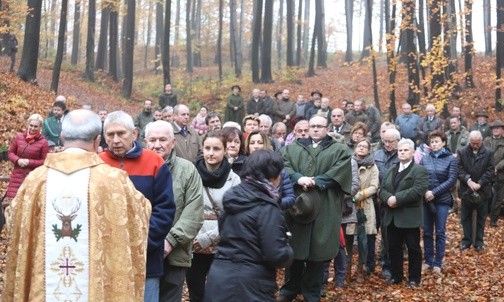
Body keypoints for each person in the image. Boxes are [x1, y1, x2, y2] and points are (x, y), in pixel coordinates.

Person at [4, 109, 151, 301]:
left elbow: (14, 218)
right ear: (98, 140)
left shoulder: (36, 180)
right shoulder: (114, 181)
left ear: (62, 137)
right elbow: (139, 215)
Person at [99, 110, 176, 302]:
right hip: (106, 260)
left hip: (146, 259)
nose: (115, 140)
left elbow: (165, 209)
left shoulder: (154, 163)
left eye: (121, 134)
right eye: (110, 135)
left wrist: (143, 243)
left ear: (134, 133)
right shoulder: (97, 164)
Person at [278, 115, 352, 302]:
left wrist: (316, 181)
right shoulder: (292, 149)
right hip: (298, 206)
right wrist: (297, 178)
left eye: (320, 126)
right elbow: (282, 166)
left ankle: (312, 292)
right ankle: (290, 289)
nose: (316, 129)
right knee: (295, 248)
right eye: (313, 126)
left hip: (325, 206)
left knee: (318, 251)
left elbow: (340, 171)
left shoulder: (339, 150)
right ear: (307, 128)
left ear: (327, 128)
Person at [204, 150, 294, 302]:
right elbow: (275, 254)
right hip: (250, 285)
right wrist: (289, 251)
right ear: (272, 176)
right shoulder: (267, 207)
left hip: (219, 278)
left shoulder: (233, 198)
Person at [144, 121, 204, 302]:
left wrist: (170, 241)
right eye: (152, 140)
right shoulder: (138, 169)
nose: (157, 145)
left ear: (173, 142)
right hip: (141, 253)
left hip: (175, 254)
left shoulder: (187, 170)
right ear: (145, 141)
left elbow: (194, 211)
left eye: (163, 139)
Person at [186, 131, 241, 302]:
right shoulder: (191, 174)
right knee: (196, 290)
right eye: (207, 148)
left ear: (225, 150)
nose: (210, 153)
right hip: (193, 241)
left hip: (221, 242)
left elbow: (234, 216)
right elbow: (184, 207)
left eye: (216, 148)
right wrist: (193, 235)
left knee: (220, 290)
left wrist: (209, 237)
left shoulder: (234, 180)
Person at [379, 138, 429, 287]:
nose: (402, 152)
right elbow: (381, 189)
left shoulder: (419, 170)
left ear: (413, 152)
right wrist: (388, 198)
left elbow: (418, 190)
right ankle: (397, 276)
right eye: (400, 150)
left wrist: (397, 199)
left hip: (409, 217)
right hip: (391, 216)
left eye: (405, 150)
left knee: (413, 248)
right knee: (393, 247)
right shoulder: (391, 169)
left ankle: (414, 278)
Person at [419, 131, 458, 275]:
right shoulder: (425, 158)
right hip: (426, 200)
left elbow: (451, 180)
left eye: (436, 141)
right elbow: (420, 176)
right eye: (432, 142)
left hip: (442, 200)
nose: (434, 144)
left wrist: (433, 192)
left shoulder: (451, 159)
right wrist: (424, 191)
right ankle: (428, 260)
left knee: (440, 231)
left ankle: (438, 262)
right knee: (427, 231)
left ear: (443, 143)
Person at [346, 138, 379, 277]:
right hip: (348, 204)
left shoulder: (373, 166)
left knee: (364, 239)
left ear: (368, 149)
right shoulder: (348, 163)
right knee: (347, 237)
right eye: (359, 145)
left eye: (364, 146)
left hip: (365, 205)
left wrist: (358, 196)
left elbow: (374, 187)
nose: (361, 148)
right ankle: (346, 268)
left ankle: (362, 267)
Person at [458, 131, 494, 252]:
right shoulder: (462, 152)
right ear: (469, 141)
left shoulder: (488, 153)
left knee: (481, 217)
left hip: (483, 190)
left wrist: (480, 183)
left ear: (482, 141)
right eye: (473, 143)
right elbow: (459, 169)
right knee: (465, 217)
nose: (475, 146)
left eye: (477, 143)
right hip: (466, 189)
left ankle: (479, 242)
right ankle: (466, 241)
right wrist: (468, 181)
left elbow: (490, 170)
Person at [372, 128, 400, 280]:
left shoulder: (402, 155)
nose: (387, 144)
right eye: (385, 141)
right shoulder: (377, 155)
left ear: (397, 141)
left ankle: (388, 265)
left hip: (394, 200)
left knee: (390, 235)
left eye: (391, 142)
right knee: (375, 232)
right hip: (376, 198)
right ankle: (374, 263)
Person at [245, 130, 295, 210]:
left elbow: (290, 197)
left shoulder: (278, 168)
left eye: (260, 143)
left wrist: (274, 203)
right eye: (252, 143)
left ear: (266, 145)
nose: (256, 146)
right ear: (248, 146)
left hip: (274, 215)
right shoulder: (242, 167)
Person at [5, 114, 49, 206]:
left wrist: (30, 162)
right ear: (28, 124)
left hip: (33, 177)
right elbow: (10, 153)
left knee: (28, 205)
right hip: (17, 175)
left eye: (35, 126)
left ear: (40, 127)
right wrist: (18, 160)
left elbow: (44, 161)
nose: (32, 128)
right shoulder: (19, 137)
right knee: (14, 205)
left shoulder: (43, 142)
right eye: (31, 125)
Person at [484, 120, 504, 227]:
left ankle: (493, 219)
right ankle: (482, 216)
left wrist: (497, 168)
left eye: (498, 128)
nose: (495, 129)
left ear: (502, 130)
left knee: (498, 198)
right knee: (485, 195)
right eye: (494, 128)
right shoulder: (486, 141)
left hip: (500, 174)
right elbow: (481, 154)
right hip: (486, 173)